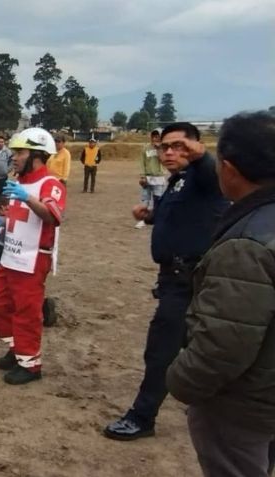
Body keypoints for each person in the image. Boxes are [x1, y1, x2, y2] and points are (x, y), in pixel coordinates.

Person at [103, 122, 229, 441]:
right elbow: (177, 215)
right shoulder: (179, 181)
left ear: (196, 148)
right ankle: (208, 402)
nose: (170, 152)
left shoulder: (206, 178)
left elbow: (210, 171)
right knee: (196, 346)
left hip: (189, 279)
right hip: (174, 278)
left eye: (179, 146)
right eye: (165, 147)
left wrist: (202, 156)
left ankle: (142, 417)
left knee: (161, 351)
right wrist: (149, 216)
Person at [166, 111, 275, 477]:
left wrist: (181, 379)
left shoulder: (246, 245)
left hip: (243, 403)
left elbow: (224, 344)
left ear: (228, 169)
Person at [0, 127, 66, 385]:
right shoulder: (18, 183)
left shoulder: (50, 184)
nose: (15, 157)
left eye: (20, 152)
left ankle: (31, 365)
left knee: (27, 313)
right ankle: (16, 349)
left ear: (37, 155)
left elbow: (52, 215)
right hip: (9, 256)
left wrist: (27, 198)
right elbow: (11, 217)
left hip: (32, 260)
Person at [136, 129, 166, 229]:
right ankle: (143, 220)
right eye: (153, 136)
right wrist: (142, 176)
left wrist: (159, 149)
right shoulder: (146, 149)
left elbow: (164, 161)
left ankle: (157, 219)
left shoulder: (164, 149)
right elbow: (142, 163)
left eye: (157, 136)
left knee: (157, 200)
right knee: (145, 199)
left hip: (159, 177)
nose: (155, 138)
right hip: (148, 177)